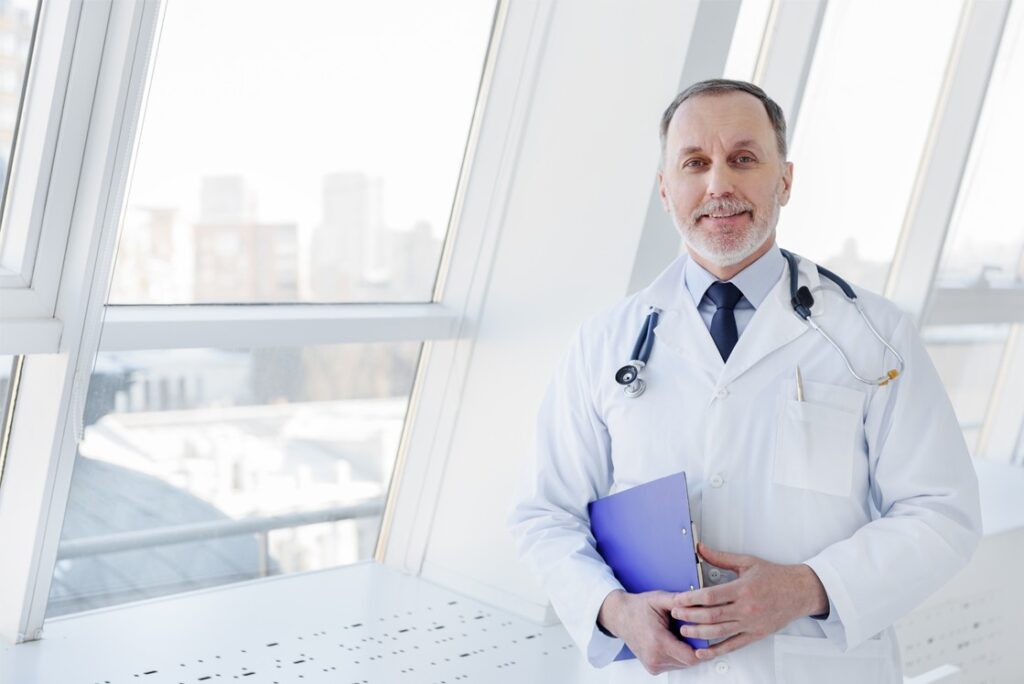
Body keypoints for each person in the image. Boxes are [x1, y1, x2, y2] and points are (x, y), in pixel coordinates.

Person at [507, 79, 981, 683]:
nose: (718, 185)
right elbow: (546, 514)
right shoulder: (603, 343)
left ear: (784, 179)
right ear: (664, 188)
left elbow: (942, 512)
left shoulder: (872, 335)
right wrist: (612, 611)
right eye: (695, 163)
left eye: (743, 159)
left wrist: (808, 588)